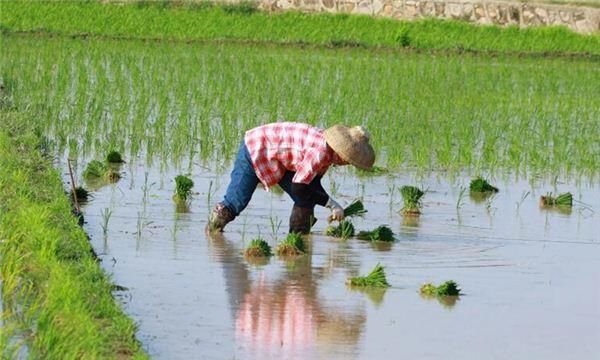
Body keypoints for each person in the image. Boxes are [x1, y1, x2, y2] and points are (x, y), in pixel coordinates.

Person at [207, 122, 375, 234]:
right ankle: (212, 232)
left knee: (305, 200)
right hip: (256, 149)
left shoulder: (328, 153)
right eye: (350, 161)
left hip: (279, 160)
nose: (348, 165)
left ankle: (297, 239)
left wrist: (332, 205)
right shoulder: (320, 152)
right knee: (236, 202)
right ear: (343, 155)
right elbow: (299, 186)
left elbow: (311, 184)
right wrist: (332, 204)